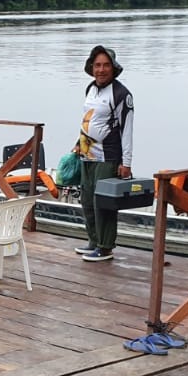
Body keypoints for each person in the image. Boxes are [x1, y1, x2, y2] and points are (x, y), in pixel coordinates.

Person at [74, 45, 134, 262]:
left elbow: (127, 129)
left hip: (108, 157)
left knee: (104, 203)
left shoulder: (121, 94)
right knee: (87, 200)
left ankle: (105, 246)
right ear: (91, 67)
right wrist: (78, 142)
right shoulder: (90, 88)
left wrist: (125, 162)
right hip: (87, 154)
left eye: (106, 65)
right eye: (97, 65)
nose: (101, 70)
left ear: (113, 67)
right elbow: (89, 119)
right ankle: (93, 239)